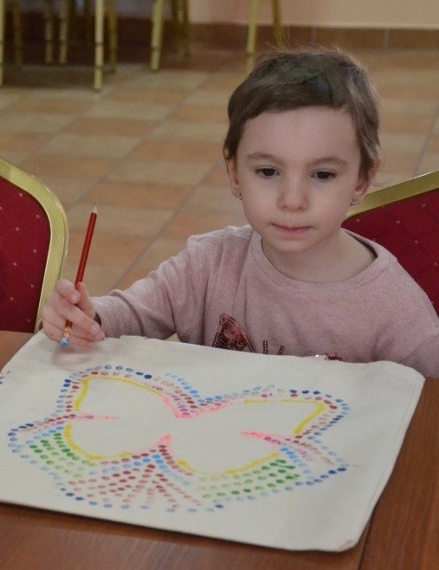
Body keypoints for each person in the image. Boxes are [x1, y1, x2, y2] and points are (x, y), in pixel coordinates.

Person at [42, 47, 439, 378]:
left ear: (362, 180)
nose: (292, 199)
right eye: (268, 171)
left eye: (322, 174)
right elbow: (128, 315)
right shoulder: (207, 266)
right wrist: (90, 319)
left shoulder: (397, 314)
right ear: (234, 174)